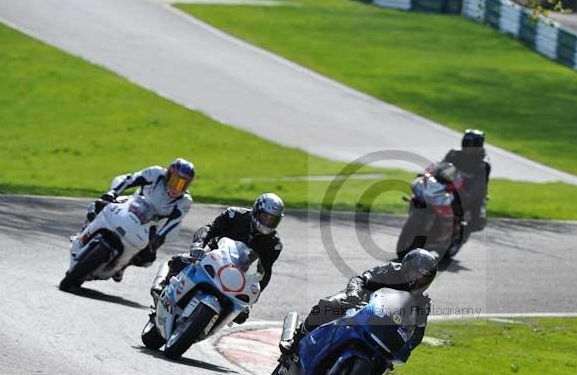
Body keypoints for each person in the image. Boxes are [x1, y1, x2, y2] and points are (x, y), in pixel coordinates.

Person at [152, 193, 285, 324]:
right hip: (210, 255)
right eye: (264, 216)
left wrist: (251, 300)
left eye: (272, 219)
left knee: (240, 316)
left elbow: (264, 272)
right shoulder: (234, 215)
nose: (267, 222)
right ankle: (162, 286)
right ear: (256, 211)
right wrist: (198, 246)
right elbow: (208, 229)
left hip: (236, 273)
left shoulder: (274, 244)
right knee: (179, 261)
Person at [281, 248, 438, 353]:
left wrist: (406, 347)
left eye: (423, 278)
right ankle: (295, 341)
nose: (418, 280)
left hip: (382, 329)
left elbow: (417, 333)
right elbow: (360, 279)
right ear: (406, 267)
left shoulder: (422, 303)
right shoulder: (390, 270)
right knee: (328, 305)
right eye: (415, 274)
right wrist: (354, 294)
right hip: (361, 305)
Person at [77, 158, 195, 282]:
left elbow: (174, 222)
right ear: (169, 174)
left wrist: (159, 237)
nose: (177, 188)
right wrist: (112, 193)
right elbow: (129, 179)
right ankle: (84, 231)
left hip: (151, 225)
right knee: (97, 206)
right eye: (176, 181)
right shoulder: (155, 174)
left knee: (147, 258)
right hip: (129, 206)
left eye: (183, 184)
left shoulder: (185, 201)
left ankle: (123, 265)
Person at [440, 129, 491, 232]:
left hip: (468, 192)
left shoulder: (483, 164)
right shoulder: (454, 154)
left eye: (472, 145)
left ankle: (463, 231)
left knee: (476, 215)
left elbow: (480, 185)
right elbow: (441, 168)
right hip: (449, 187)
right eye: (467, 143)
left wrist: (467, 196)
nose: (468, 147)